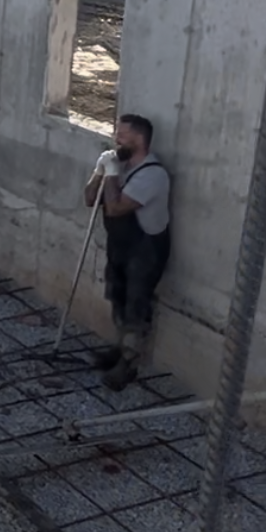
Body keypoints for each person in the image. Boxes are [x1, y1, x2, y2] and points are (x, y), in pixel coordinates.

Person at [83, 114, 172, 391]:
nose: (116, 139)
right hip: (121, 246)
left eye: (121, 134)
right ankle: (119, 350)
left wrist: (112, 174)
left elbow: (116, 208)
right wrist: (100, 171)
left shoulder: (153, 175)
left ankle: (129, 364)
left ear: (139, 138)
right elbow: (89, 199)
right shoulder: (119, 165)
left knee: (136, 306)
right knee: (118, 298)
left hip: (145, 251)